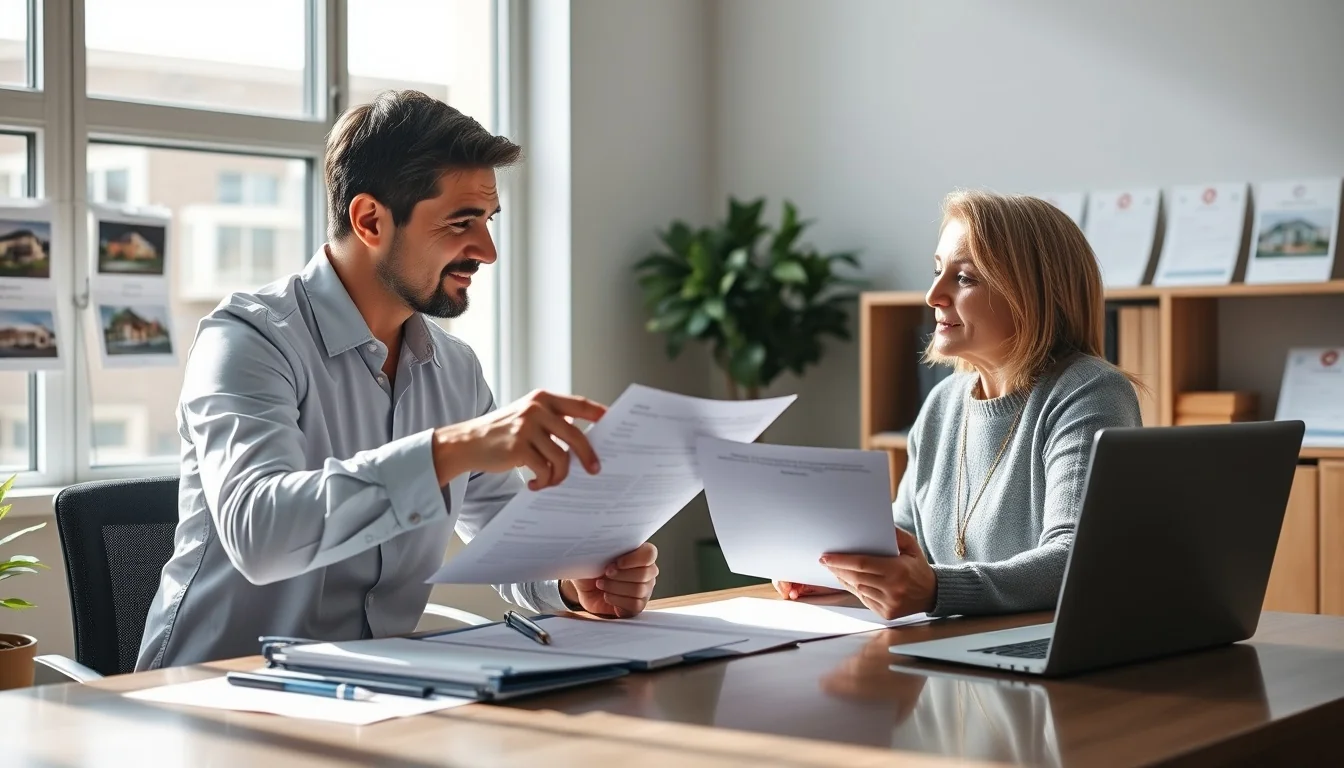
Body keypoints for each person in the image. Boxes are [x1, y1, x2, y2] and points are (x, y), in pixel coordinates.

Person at [137, 90, 659, 670]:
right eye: (461, 223)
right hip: (213, 702)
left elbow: (507, 545)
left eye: (488, 221)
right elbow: (259, 533)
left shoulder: (454, 370)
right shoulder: (247, 340)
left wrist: (570, 582)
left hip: (378, 697)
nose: (486, 251)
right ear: (370, 220)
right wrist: (452, 449)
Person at [776, 190, 1142, 620]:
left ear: (1032, 294)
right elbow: (906, 536)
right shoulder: (942, 404)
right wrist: (836, 569)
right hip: (951, 652)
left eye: (964, 278)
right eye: (936, 271)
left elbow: (1073, 559)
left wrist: (938, 589)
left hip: (1047, 659)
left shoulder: (1089, 391)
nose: (933, 295)